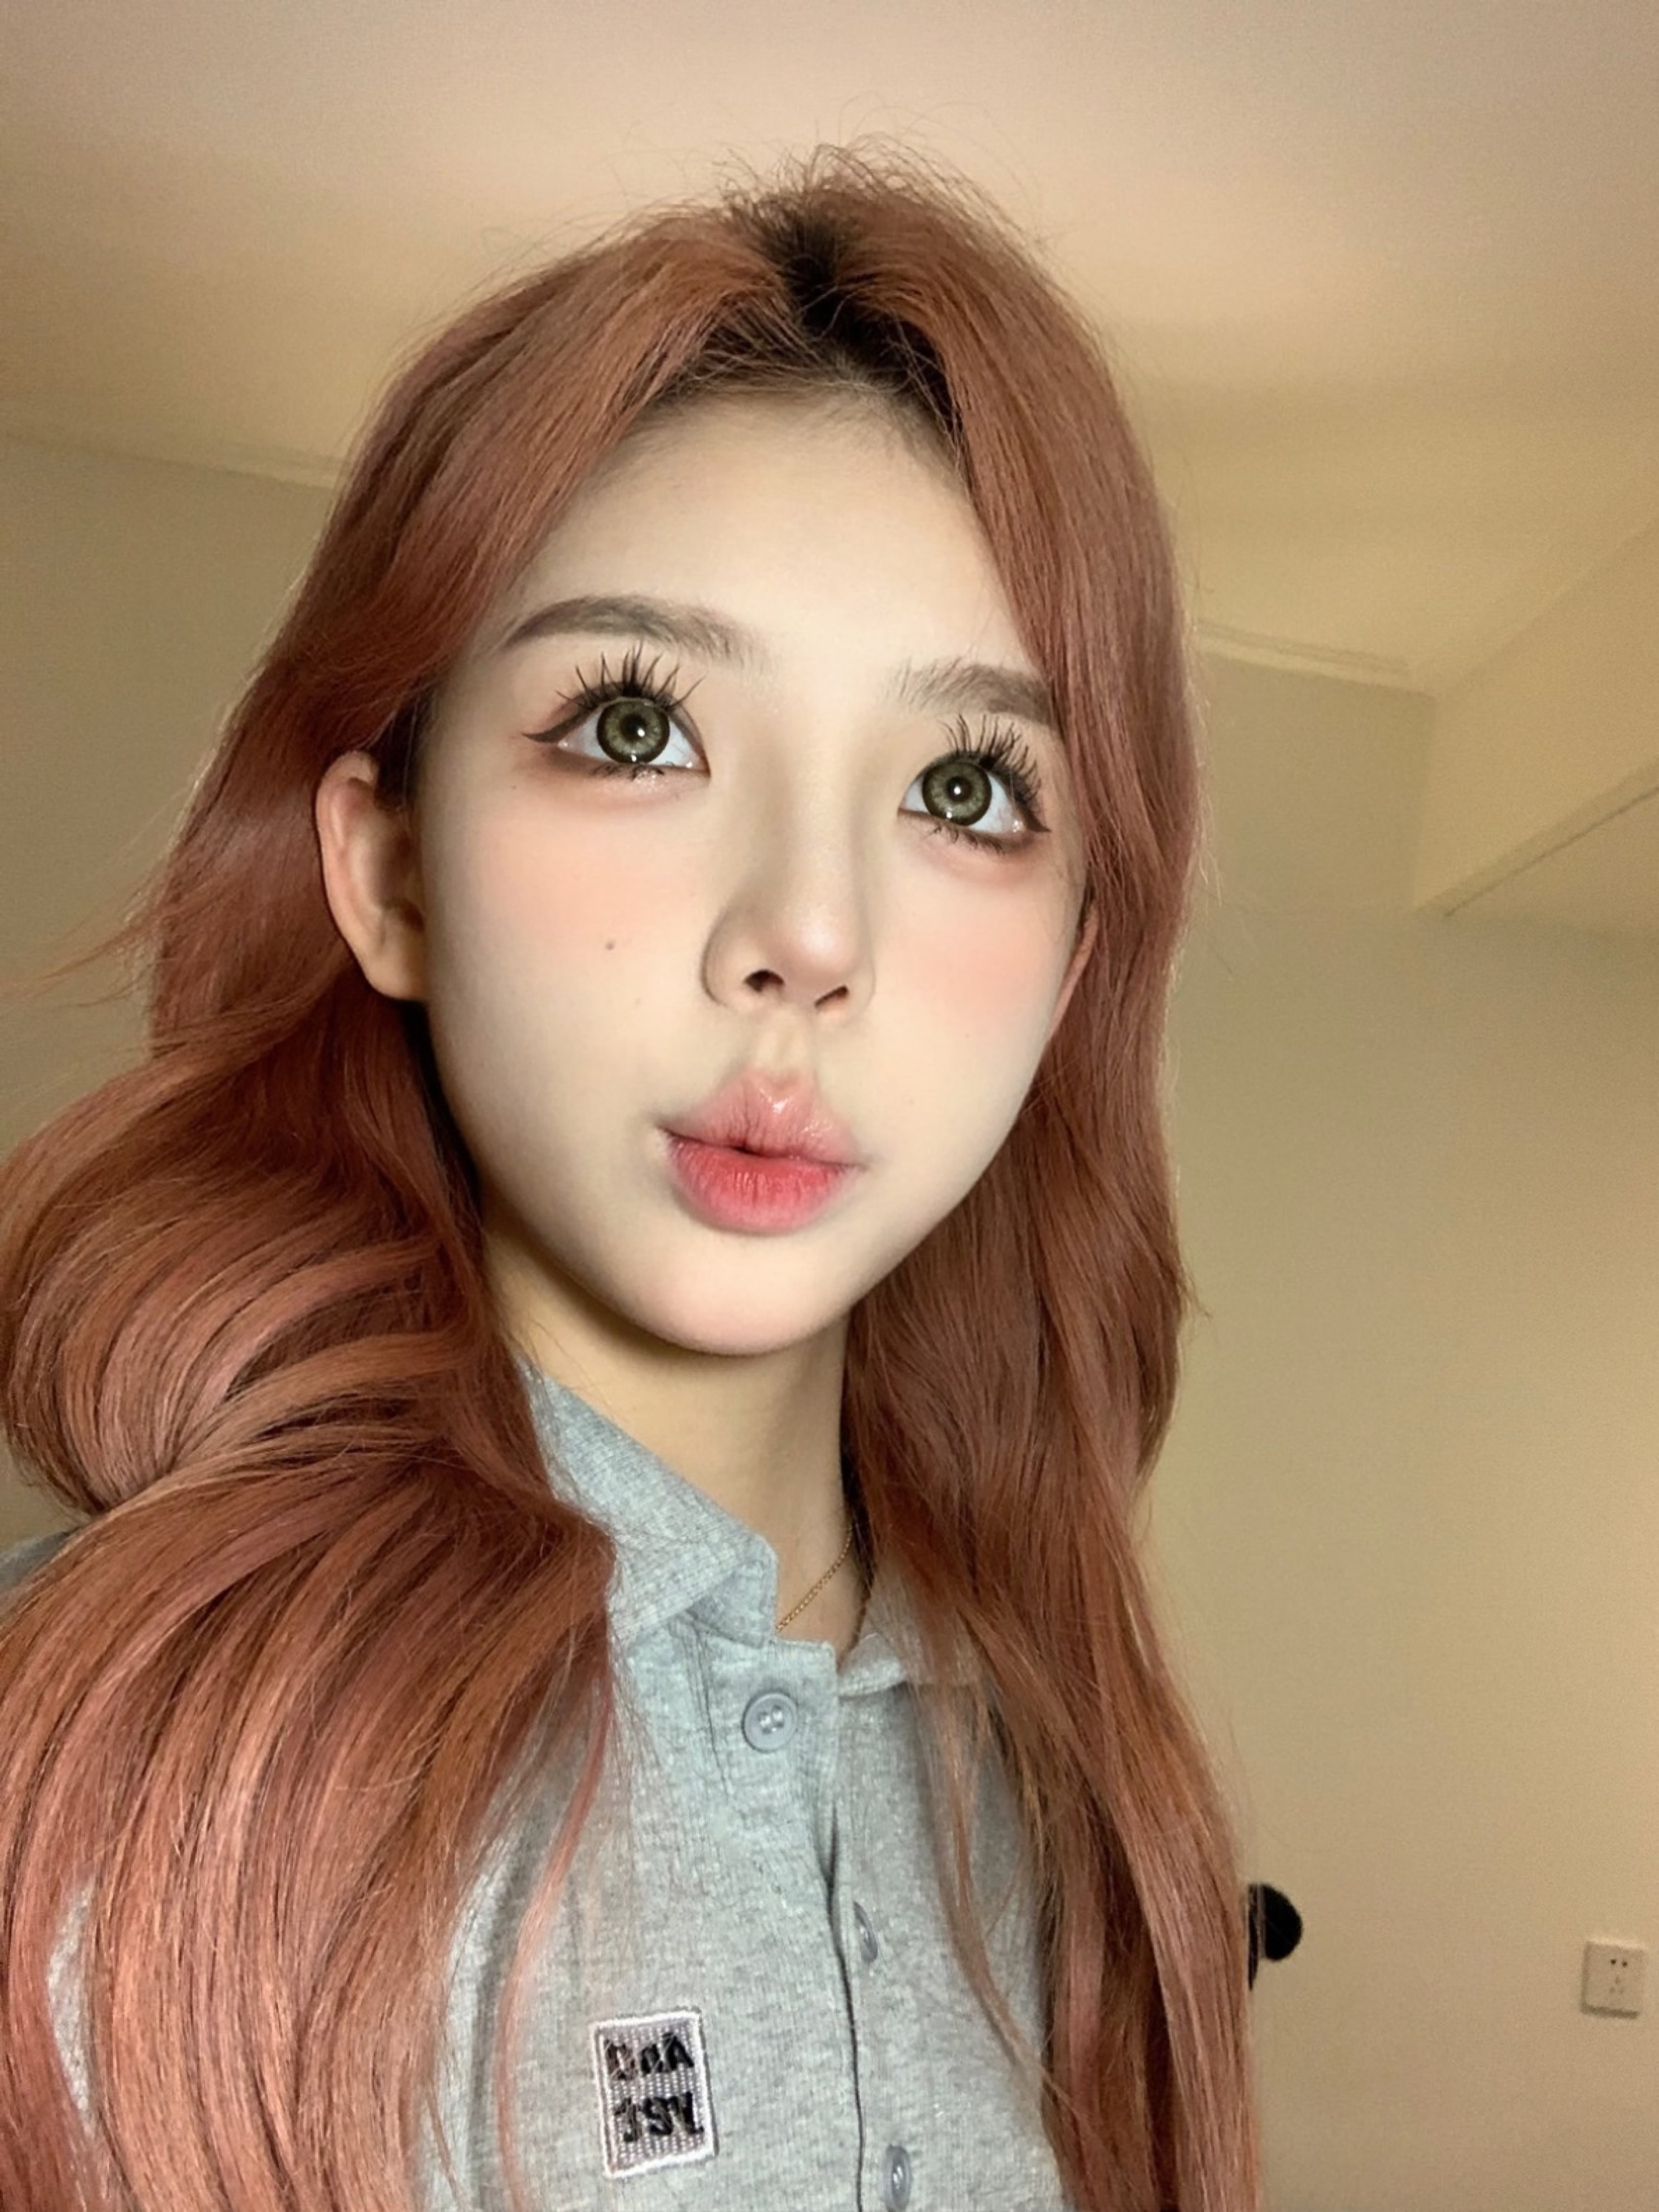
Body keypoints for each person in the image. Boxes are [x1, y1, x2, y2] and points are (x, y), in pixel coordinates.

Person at [0, 145, 1259, 2211]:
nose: (804, 936)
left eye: (965, 787)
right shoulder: (102, 1758)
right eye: (635, 728)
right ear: (388, 870)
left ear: (1069, 969)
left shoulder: (1070, 1771)